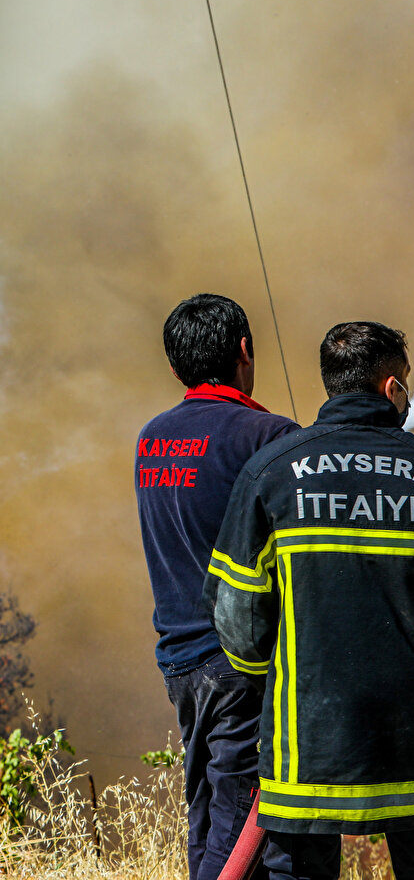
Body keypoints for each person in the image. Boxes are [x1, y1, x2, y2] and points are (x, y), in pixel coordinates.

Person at [205, 321, 414, 880]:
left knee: (299, 870)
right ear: (391, 389)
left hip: (308, 746)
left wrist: (277, 676)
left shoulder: (271, 473)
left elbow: (235, 615)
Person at [135, 294, 299, 880]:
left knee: (207, 815)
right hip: (241, 665)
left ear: (175, 369)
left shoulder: (151, 439)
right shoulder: (267, 436)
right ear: (244, 352)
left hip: (180, 664)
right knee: (239, 829)